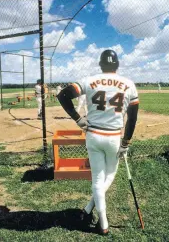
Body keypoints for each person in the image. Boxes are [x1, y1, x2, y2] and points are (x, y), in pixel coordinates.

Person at [57, 49, 139, 235]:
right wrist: (126, 143)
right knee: (109, 176)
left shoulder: (88, 80)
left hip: (93, 135)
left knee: (97, 179)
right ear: (117, 65)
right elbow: (132, 119)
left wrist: (78, 119)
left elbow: (63, 95)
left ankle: (97, 217)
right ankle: (97, 219)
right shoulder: (129, 84)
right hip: (113, 138)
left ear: (101, 64)